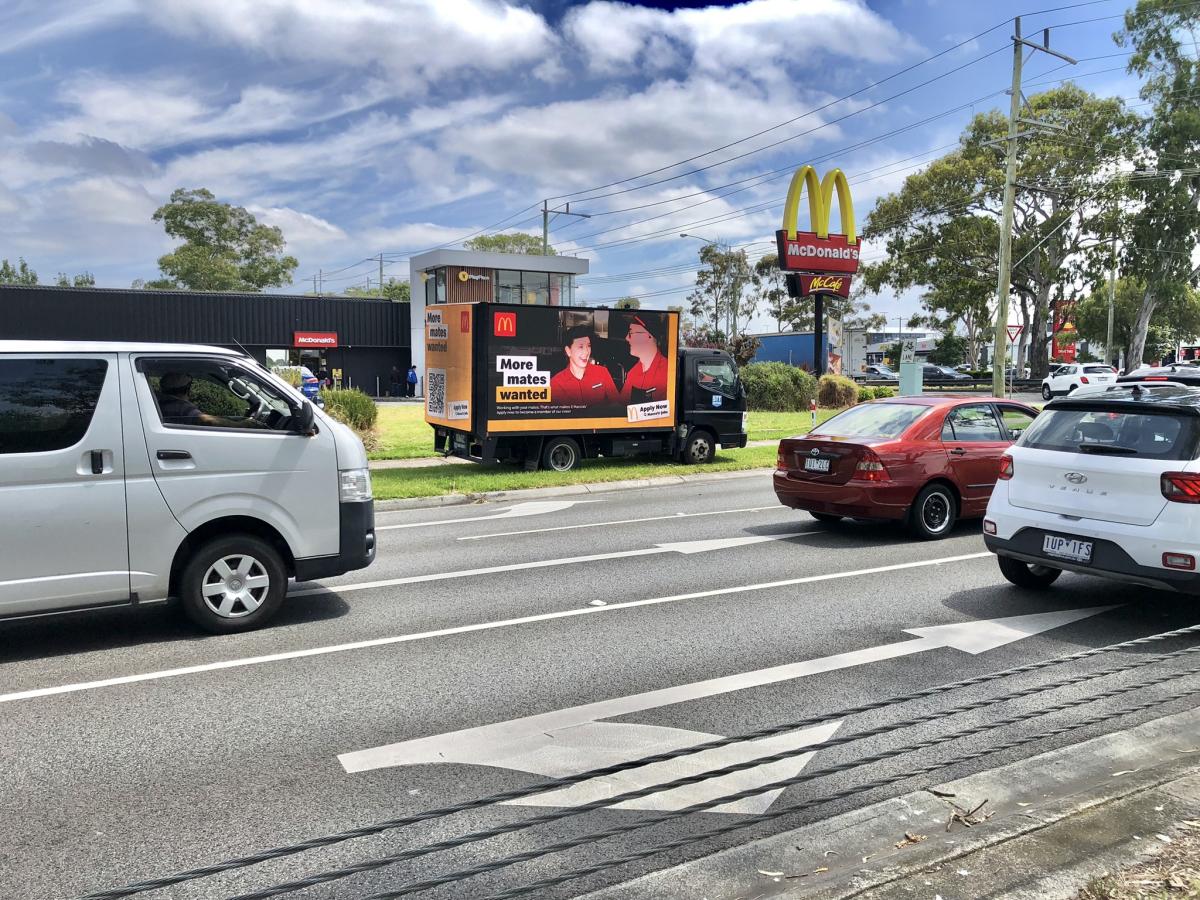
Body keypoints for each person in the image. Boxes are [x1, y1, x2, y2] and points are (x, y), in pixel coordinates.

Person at [156, 372, 259, 428]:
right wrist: (240, 425)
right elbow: (207, 421)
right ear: (187, 389)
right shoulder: (181, 407)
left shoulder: (160, 404)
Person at [549, 325, 619, 408]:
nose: (586, 352)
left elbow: (617, 405)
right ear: (568, 351)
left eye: (588, 346)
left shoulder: (602, 372)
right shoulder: (556, 383)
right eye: (580, 347)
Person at [621, 314, 668, 405]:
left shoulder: (667, 371)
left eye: (631, 333)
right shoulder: (633, 372)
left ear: (648, 336)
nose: (626, 338)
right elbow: (622, 405)